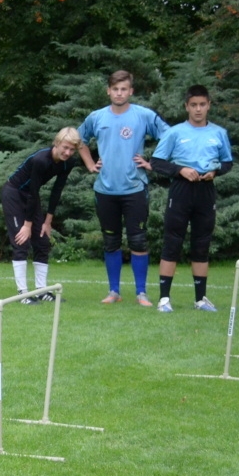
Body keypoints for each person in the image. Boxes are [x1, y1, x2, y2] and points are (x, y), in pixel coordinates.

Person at [77, 70, 170, 306]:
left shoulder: (143, 115)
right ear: (108, 90)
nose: (119, 93)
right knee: (111, 242)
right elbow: (78, 140)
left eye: (124, 89)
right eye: (115, 89)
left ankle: (141, 293)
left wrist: (152, 163)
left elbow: (170, 136)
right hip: (105, 190)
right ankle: (114, 292)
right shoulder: (96, 117)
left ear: (131, 91)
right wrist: (90, 164)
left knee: (138, 240)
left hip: (135, 189)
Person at [150, 85, 235, 313]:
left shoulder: (219, 133)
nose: (198, 109)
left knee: (201, 243)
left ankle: (200, 299)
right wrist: (180, 170)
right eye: (194, 105)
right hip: (181, 190)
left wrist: (215, 172)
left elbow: (227, 162)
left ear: (209, 106)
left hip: (205, 191)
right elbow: (157, 162)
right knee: (173, 241)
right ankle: (164, 299)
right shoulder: (175, 132)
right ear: (186, 106)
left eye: (202, 105)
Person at [1, 127, 82, 303]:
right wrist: (27, 225)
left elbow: (56, 190)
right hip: (14, 194)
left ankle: (41, 290)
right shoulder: (40, 160)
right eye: (65, 148)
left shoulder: (68, 163)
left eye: (71, 149)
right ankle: (23, 293)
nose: (67, 153)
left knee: (43, 241)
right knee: (21, 241)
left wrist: (48, 221)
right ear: (57, 143)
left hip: (31, 197)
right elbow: (33, 191)